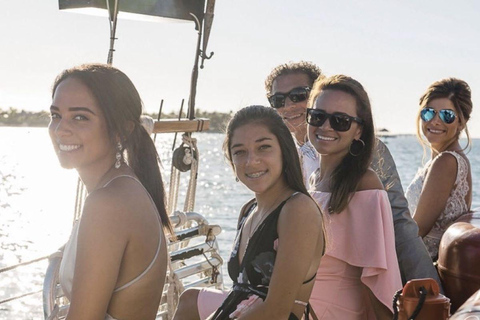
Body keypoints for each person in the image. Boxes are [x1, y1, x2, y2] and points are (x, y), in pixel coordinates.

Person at [265, 60, 442, 286]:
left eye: (298, 95)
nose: (288, 106)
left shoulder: (368, 153)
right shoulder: (283, 157)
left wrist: (429, 291)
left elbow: (398, 223)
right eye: (278, 100)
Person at [173, 105, 324, 320]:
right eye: (240, 152)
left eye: (263, 147)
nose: (251, 161)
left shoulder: (298, 210)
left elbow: (276, 312)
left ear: (284, 150)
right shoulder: (249, 210)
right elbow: (238, 296)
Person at [49, 63, 173, 320]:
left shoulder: (109, 203)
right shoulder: (123, 187)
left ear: (121, 130)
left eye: (80, 117)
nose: (61, 129)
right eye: (56, 115)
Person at [306, 74, 402, 319]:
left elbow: (378, 276)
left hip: (329, 310)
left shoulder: (364, 185)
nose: (326, 126)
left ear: (359, 129)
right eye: (318, 116)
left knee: (193, 301)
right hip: (300, 300)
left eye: (340, 121)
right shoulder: (313, 179)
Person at [405, 78, 473, 261]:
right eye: (428, 113)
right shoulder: (449, 160)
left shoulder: (446, 162)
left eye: (446, 115)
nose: (435, 121)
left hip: (422, 270)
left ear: (462, 122)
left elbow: (417, 230)